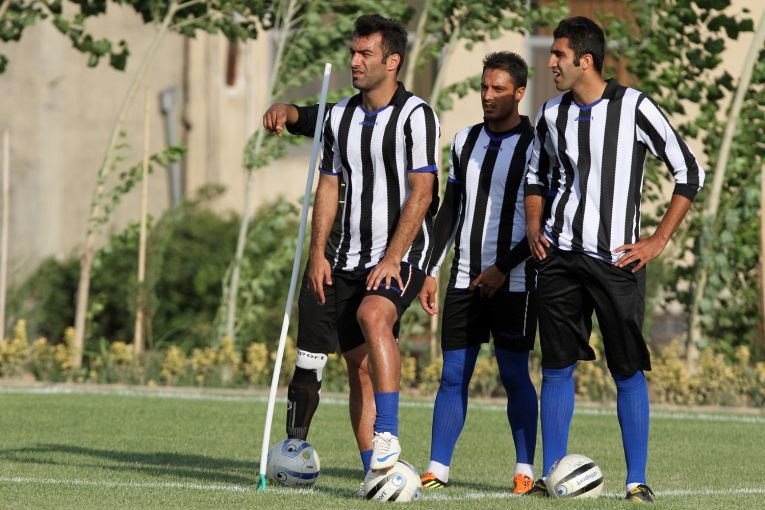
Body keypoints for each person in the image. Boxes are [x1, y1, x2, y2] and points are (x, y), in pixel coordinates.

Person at [524, 16, 705, 503]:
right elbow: (536, 176)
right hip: (559, 256)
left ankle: (636, 480)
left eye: (559, 55)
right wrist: (535, 226)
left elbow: (689, 171)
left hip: (617, 261)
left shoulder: (635, 107)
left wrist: (658, 241)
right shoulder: (550, 113)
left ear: (585, 60)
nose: (551, 62)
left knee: (626, 368)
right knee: (557, 365)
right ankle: (552, 474)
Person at [312, 13, 440, 474]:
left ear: (392, 61)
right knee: (358, 368)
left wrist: (393, 258)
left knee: (373, 315)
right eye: (353, 52)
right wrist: (317, 253)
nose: (355, 61)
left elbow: (422, 191)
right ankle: (376, 473)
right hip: (348, 255)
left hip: (403, 250)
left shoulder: (416, 116)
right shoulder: (339, 116)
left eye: (365, 53)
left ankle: (388, 432)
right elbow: (328, 186)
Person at [417, 51, 538, 494]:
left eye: (498, 89)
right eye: (484, 87)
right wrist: (430, 269)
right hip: (464, 277)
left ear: (519, 93)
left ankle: (524, 470)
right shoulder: (464, 140)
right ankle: (437, 469)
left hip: (515, 279)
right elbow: (450, 211)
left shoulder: (536, 145)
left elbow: (542, 221)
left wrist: (503, 268)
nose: (487, 96)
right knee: (453, 375)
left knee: (514, 375)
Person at [263, 102, 380, 477]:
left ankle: (373, 467)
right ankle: (292, 449)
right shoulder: (339, 115)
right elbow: (301, 117)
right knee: (309, 362)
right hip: (326, 260)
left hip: (371, 264)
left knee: (362, 366)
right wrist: (283, 111)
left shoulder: (406, 120)